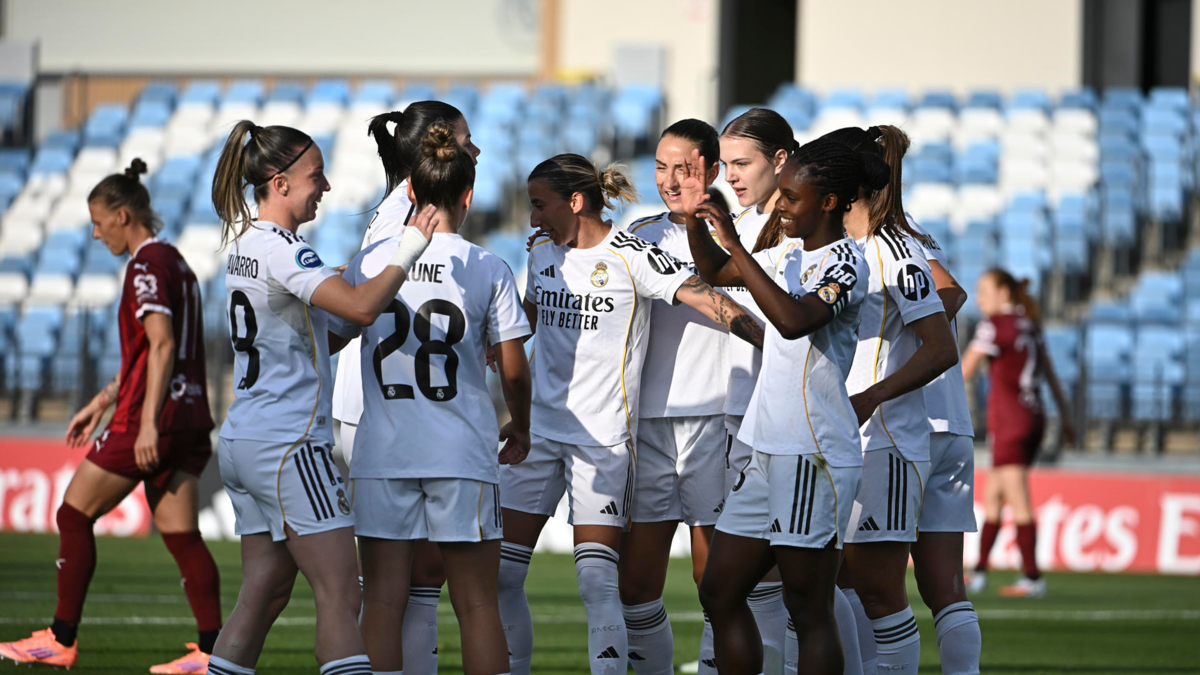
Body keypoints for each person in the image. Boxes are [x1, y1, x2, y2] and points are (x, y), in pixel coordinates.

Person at [497, 154, 763, 675]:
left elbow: (707, 300)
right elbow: (533, 325)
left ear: (575, 202)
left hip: (602, 441)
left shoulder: (632, 255)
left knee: (599, 585)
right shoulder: (543, 254)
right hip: (538, 435)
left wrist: (776, 341)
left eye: (539, 205)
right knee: (501, 576)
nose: (532, 219)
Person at [206, 120, 439, 675]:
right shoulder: (285, 250)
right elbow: (358, 309)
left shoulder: (245, 244)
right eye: (316, 176)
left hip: (245, 438)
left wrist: (353, 296)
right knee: (342, 594)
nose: (327, 187)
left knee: (262, 594)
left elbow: (324, 334)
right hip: (290, 446)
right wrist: (409, 249)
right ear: (279, 183)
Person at [0, 160, 222, 674]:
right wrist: (102, 401)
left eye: (100, 223)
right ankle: (214, 652)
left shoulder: (145, 266)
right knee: (181, 534)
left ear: (124, 215)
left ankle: (60, 638)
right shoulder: (178, 263)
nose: (96, 234)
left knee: (74, 513)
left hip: (156, 418)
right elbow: (152, 351)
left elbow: (161, 345)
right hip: (191, 418)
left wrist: (144, 423)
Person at [337, 119, 530, 675]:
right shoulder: (489, 267)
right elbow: (514, 372)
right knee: (476, 604)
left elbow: (329, 337)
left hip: (383, 453)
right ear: (468, 194)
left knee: (381, 601)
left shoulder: (374, 260)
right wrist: (522, 425)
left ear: (412, 192)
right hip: (462, 453)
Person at [685, 139, 881, 675]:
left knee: (807, 608)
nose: (781, 207)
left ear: (830, 202)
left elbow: (794, 321)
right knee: (720, 591)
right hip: (770, 449)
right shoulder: (787, 253)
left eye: (793, 198)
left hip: (813, 454)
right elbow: (717, 272)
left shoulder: (847, 262)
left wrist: (739, 249)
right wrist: (696, 219)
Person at [825, 125, 983, 674]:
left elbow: (950, 294)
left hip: (900, 421)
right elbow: (950, 292)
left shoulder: (889, 238)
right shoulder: (912, 233)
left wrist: (911, 337)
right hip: (947, 421)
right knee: (945, 588)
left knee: (856, 579)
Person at [618, 119, 738, 675]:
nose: (670, 180)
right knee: (637, 583)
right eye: (661, 167)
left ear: (712, 170)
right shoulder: (635, 232)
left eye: (684, 168)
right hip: (646, 424)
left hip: (714, 418)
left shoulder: (738, 233)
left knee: (715, 579)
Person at [714, 108, 803, 675]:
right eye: (724, 166)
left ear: (780, 160)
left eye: (741, 163)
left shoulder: (814, 225)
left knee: (817, 588)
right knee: (734, 586)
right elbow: (713, 274)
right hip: (755, 421)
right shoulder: (744, 224)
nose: (731, 177)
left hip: (807, 428)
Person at [963, 269, 1074, 599]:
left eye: (983, 290)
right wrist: (1066, 417)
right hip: (1034, 417)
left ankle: (1032, 577)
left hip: (1011, 421)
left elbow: (965, 369)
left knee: (1017, 496)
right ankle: (979, 572)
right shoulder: (1031, 325)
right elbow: (1051, 375)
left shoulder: (994, 325)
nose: (979, 297)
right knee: (995, 493)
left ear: (1003, 292)